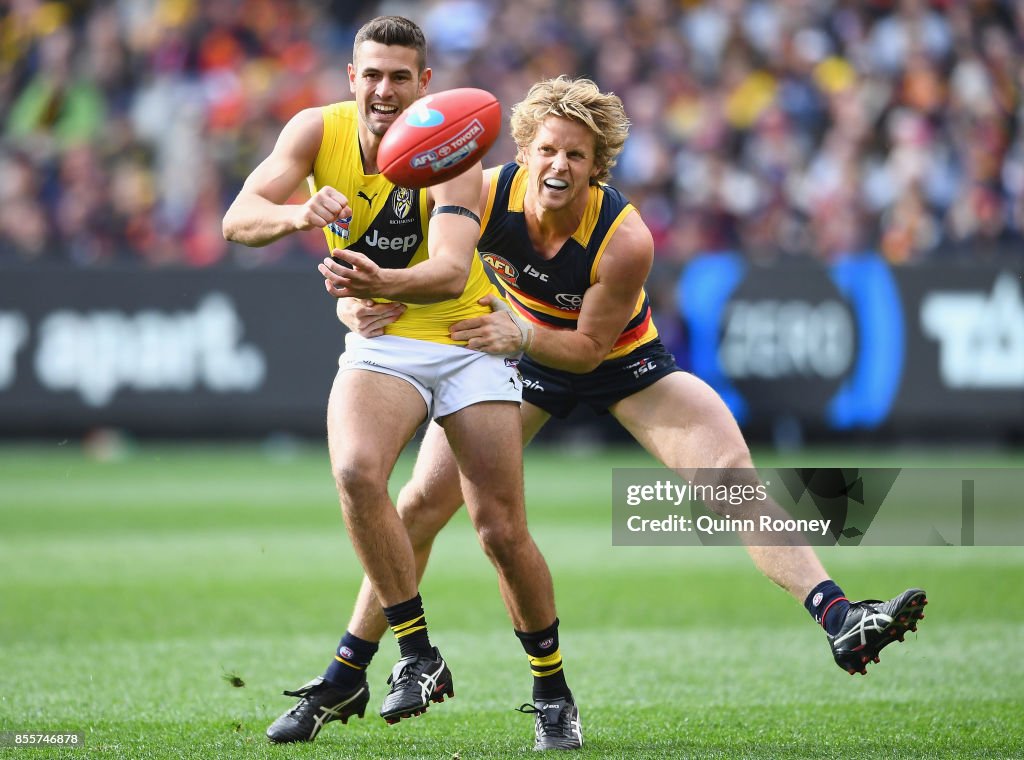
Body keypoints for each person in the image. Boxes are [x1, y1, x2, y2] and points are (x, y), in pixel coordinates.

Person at [323, 74, 930, 730]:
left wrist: (521, 331)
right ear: (524, 150)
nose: (559, 165)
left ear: (598, 167)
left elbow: (586, 350)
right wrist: (365, 298)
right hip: (514, 364)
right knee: (419, 504)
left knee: (730, 482)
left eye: (576, 156)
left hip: (622, 363)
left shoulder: (625, 238)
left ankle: (839, 617)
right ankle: (348, 671)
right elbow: (426, 270)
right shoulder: (484, 193)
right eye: (549, 149)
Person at [222, 17, 582, 751]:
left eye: (400, 77)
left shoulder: (454, 145)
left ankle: (552, 692)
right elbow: (238, 219)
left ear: (425, 85)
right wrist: (299, 215)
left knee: (501, 532)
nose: (384, 90)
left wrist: (371, 281)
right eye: (372, 75)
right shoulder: (313, 131)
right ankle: (418, 654)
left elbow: (451, 269)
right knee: (357, 473)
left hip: (467, 337)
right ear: (352, 79)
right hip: (384, 344)